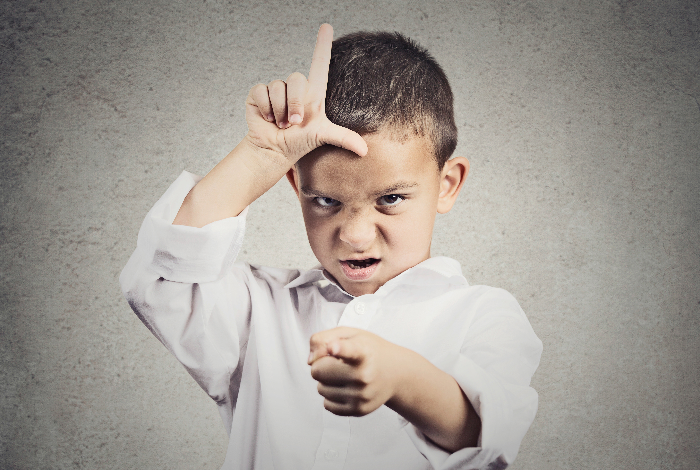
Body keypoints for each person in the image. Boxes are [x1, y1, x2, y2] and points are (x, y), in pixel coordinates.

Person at [120, 24, 542, 470]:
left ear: (447, 184)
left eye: (391, 199)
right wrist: (261, 153)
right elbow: (163, 279)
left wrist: (398, 377)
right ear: (295, 185)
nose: (355, 235)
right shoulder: (256, 310)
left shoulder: (485, 315)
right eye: (326, 201)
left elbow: (485, 436)